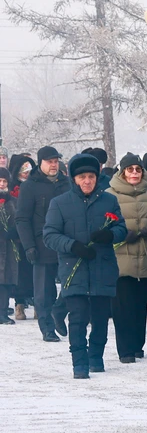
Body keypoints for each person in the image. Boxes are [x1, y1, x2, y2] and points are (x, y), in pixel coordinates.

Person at [43, 153, 126, 378]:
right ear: (74, 179)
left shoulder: (109, 200)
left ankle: (95, 357)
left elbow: (122, 229)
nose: (87, 181)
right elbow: (49, 235)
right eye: (82, 177)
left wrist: (109, 234)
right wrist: (72, 246)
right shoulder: (59, 203)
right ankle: (79, 363)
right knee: (78, 318)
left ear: (97, 177)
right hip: (74, 268)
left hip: (102, 267)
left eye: (91, 176)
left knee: (100, 318)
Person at [106, 153, 147, 363]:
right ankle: (125, 349)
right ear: (123, 172)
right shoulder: (110, 194)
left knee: (139, 305)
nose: (134, 173)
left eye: (138, 169)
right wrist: (119, 233)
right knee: (122, 306)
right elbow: (104, 224)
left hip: (146, 256)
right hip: (120, 258)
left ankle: (138, 345)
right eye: (130, 170)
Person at [16, 145, 70, 342]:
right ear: (41, 163)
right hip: (41, 244)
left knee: (71, 284)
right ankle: (47, 327)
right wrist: (28, 245)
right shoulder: (30, 186)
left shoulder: (66, 183)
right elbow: (22, 218)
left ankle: (58, 312)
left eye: (56, 161)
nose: (54, 165)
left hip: (66, 243)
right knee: (43, 291)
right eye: (50, 162)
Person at [8, 155, 34, 321]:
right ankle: (19, 304)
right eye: (23, 170)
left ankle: (37, 302)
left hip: (33, 234)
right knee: (20, 272)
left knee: (33, 271)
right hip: (16, 237)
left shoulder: (34, 186)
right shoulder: (12, 188)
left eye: (28, 170)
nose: (26, 173)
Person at [0, 168, 18, 325]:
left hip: (9, 246)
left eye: (5, 181)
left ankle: (3, 311)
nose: (2, 184)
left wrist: (13, 231)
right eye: (0, 181)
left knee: (5, 281)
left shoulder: (12, 201)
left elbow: (19, 219)